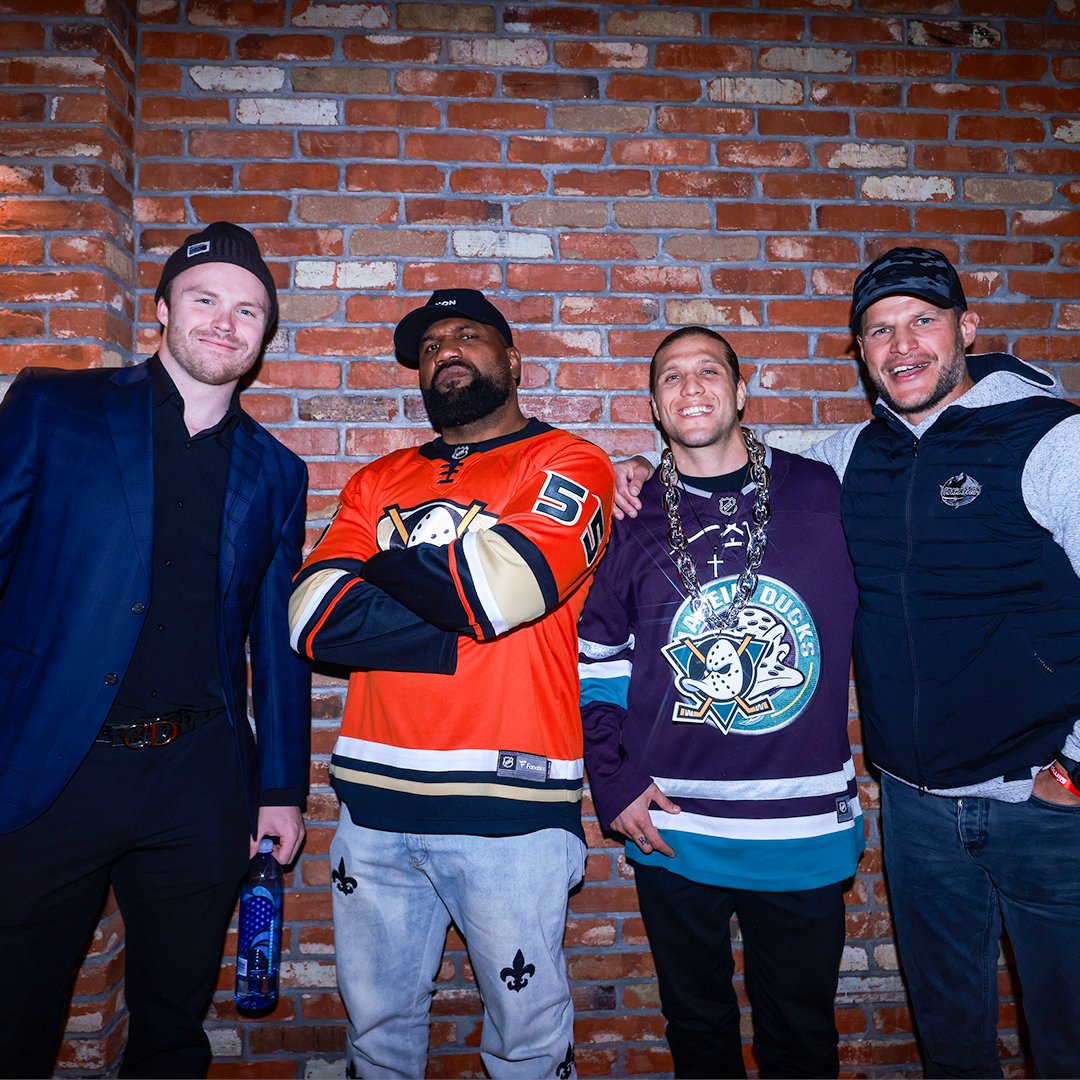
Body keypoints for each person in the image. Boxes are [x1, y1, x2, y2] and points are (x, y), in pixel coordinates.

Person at [613, 248, 1080, 1078]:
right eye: (878, 331)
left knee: (1068, 1034)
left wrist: (1075, 767)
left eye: (922, 323)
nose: (901, 346)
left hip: (1042, 804)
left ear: (967, 328)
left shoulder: (1052, 438)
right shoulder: (848, 459)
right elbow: (728, 455)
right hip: (918, 806)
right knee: (953, 1043)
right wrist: (632, 470)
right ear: (860, 351)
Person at [0, 221, 312, 1079]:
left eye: (248, 309)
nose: (225, 320)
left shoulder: (277, 470)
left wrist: (281, 789)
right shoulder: (54, 406)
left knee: (173, 1027)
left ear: (263, 335)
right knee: (14, 1016)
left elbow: (276, 644)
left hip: (196, 780)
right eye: (205, 298)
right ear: (163, 310)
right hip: (48, 770)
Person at [288, 289, 614, 1079]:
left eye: (468, 335)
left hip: (513, 808)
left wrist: (383, 578)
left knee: (528, 1041)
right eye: (431, 345)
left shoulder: (569, 462)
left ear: (512, 360)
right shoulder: (378, 477)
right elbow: (310, 618)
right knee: (376, 1037)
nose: (447, 351)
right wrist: (458, 617)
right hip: (373, 807)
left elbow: (510, 584)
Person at [579, 326, 862, 1079]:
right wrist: (612, 781)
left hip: (801, 827)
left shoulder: (823, 490)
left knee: (801, 1038)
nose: (691, 386)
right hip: (673, 823)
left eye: (710, 371)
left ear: (742, 393)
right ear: (654, 406)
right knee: (698, 1033)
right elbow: (597, 661)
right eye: (672, 377)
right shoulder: (628, 518)